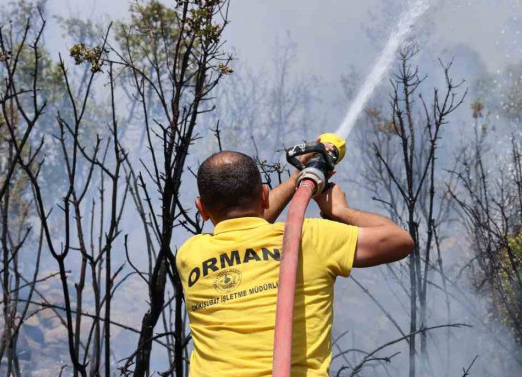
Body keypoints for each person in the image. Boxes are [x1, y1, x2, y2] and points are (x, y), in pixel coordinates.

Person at [176, 150, 413, 376]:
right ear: (264, 195)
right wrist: (341, 210)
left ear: (202, 209)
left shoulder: (190, 255)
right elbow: (399, 240)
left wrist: (293, 183)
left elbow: (247, 227)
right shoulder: (308, 238)